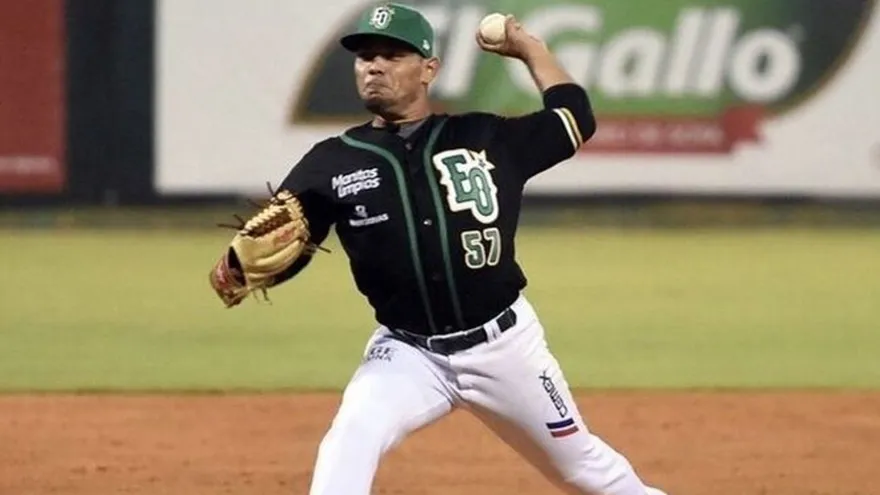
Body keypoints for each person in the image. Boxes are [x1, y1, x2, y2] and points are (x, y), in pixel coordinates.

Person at [212, 3, 669, 494]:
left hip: (505, 349)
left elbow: (575, 117)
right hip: (408, 352)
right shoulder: (330, 163)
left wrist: (529, 48)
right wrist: (237, 271)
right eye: (365, 56)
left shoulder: (485, 137)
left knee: (587, 471)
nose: (374, 66)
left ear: (429, 69)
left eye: (391, 55)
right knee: (349, 439)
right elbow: (290, 244)